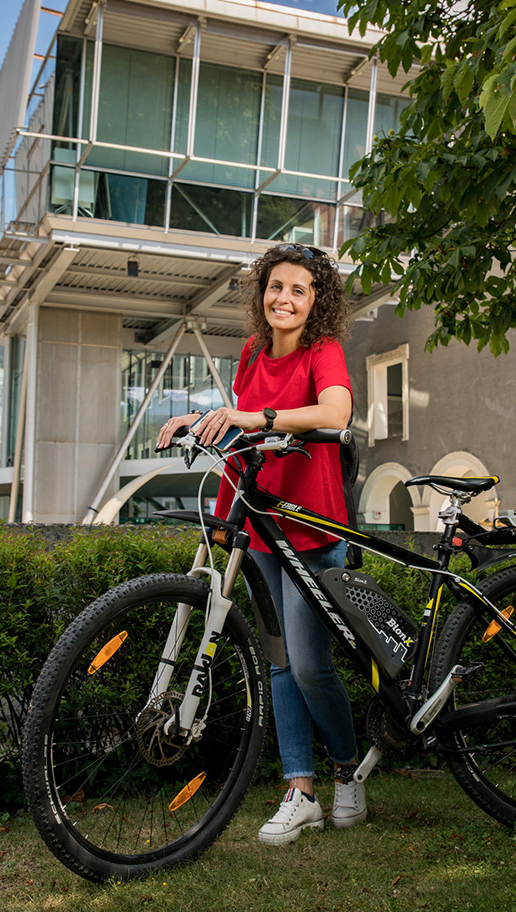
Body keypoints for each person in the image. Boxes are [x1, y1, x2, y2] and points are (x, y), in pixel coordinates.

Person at [157, 243, 366, 845]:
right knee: (278, 665)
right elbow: (238, 417)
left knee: (308, 666)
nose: (285, 298)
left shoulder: (322, 350)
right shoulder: (252, 350)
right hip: (259, 521)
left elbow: (335, 409)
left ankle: (346, 769)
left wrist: (261, 419)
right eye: (277, 287)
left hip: (309, 523)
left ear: (316, 301)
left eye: (300, 290)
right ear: (262, 292)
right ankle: (299, 790)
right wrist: (198, 422)